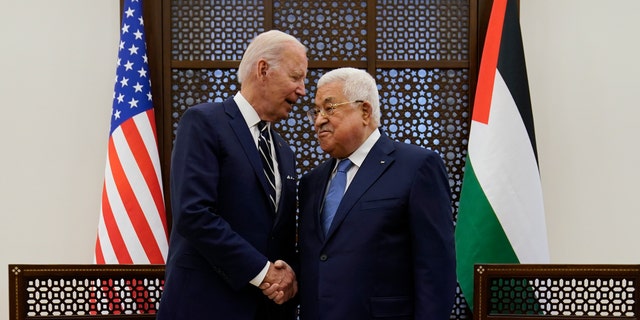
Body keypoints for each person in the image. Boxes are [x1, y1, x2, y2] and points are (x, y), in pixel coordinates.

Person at [157, 30, 307, 320]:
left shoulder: (284, 152)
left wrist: (288, 278)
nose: (302, 90)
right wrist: (263, 273)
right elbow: (194, 214)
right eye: (296, 77)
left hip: (266, 310)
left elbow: (280, 234)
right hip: (204, 305)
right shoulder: (204, 123)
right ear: (263, 69)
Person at [297, 67, 457, 320]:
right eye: (315, 112)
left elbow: (436, 268)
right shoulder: (311, 182)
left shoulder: (417, 167)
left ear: (365, 111)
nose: (318, 121)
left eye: (329, 108)